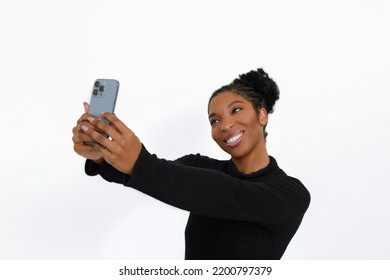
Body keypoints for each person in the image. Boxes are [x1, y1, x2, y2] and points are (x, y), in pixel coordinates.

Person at [72, 68, 310, 260]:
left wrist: (139, 162)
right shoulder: (200, 166)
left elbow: (225, 194)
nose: (225, 125)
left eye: (236, 110)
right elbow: (155, 178)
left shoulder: (290, 194)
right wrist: (102, 156)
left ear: (262, 115)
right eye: (215, 120)